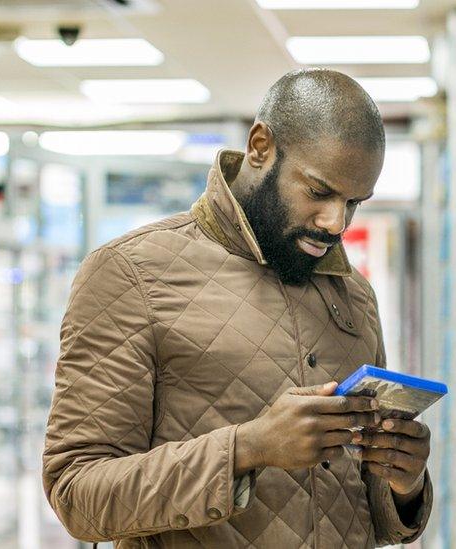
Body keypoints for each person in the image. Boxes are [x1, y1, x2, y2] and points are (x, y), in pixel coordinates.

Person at [42, 69, 432, 548]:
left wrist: (404, 483)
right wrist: (247, 448)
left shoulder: (353, 295)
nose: (335, 222)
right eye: (318, 191)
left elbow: (361, 503)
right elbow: (77, 493)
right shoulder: (130, 273)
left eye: (354, 203)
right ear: (260, 147)